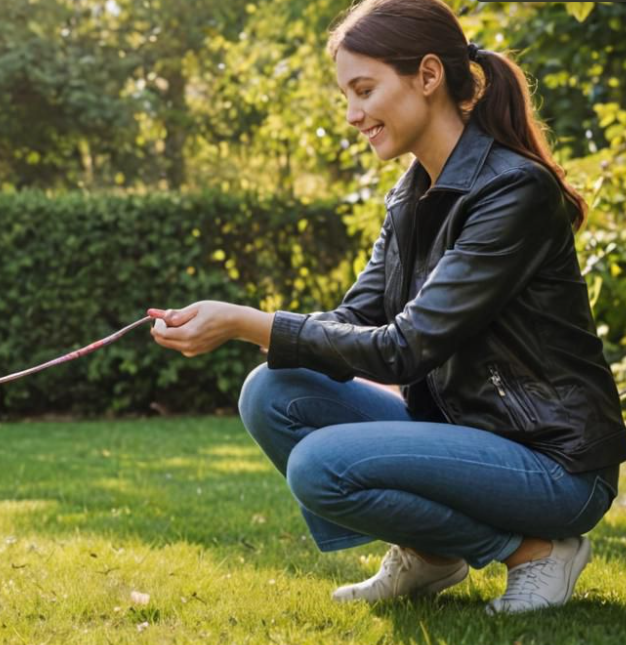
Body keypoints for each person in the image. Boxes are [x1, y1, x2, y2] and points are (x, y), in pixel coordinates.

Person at [148, 0, 625, 614]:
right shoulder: (412, 193)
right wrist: (244, 329)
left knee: (319, 466)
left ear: (428, 77)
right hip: (465, 438)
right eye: (347, 95)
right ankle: (429, 556)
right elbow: (356, 319)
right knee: (270, 391)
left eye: (364, 90)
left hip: (554, 465)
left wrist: (249, 321)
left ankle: (533, 551)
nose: (352, 115)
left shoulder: (513, 190)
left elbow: (404, 348)